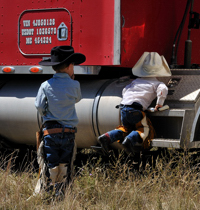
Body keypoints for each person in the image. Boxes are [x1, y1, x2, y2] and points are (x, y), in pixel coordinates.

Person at [35, 45, 86, 198]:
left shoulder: (45, 85)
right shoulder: (75, 85)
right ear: (70, 66)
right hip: (68, 132)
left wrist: (45, 113)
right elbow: (77, 99)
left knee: (51, 163)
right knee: (65, 164)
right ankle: (61, 194)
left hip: (51, 132)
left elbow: (38, 105)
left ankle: (48, 194)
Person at [98, 52, 171, 155]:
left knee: (125, 128)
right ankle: (129, 141)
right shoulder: (157, 83)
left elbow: (125, 90)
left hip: (123, 107)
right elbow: (163, 90)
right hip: (136, 110)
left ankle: (107, 137)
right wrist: (159, 103)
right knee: (144, 129)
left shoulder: (135, 81)